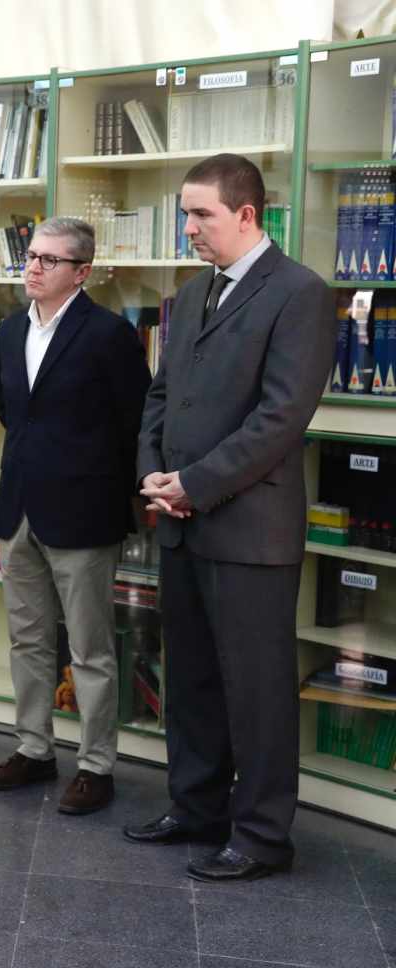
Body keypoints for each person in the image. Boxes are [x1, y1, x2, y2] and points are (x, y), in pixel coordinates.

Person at [126, 153, 335, 882]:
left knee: (258, 693)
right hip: (183, 519)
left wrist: (193, 483)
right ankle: (197, 808)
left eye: (201, 214)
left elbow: (281, 419)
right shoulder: (190, 295)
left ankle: (263, 837)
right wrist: (153, 471)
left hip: (249, 531)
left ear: (248, 215)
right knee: (191, 681)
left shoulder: (300, 293)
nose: (188, 227)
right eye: (185, 213)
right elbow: (162, 396)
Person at [0, 217, 151, 814]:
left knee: (90, 649)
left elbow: (136, 422)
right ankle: (33, 749)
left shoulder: (109, 335)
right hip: (19, 508)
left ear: (81, 272)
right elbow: (13, 413)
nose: (33, 266)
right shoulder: (8, 332)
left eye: (49, 260)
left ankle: (96, 766)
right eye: (30, 255)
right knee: (26, 639)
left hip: (83, 513)